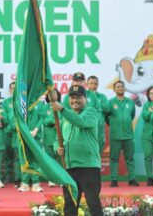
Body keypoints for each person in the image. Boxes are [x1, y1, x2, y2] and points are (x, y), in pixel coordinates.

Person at [51, 85, 103, 216]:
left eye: (78, 97)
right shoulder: (65, 118)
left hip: (88, 167)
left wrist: (62, 109)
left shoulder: (91, 112)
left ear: (85, 98)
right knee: (69, 207)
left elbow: (80, 121)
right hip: (69, 167)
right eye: (72, 97)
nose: (75, 101)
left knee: (94, 205)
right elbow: (58, 138)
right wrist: (58, 148)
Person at [106, 81, 139, 187]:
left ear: (124, 89)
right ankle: (114, 180)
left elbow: (132, 116)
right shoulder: (110, 102)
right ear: (114, 89)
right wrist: (113, 125)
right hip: (115, 136)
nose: (120, 88)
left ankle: (132, 179)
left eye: (122, 86)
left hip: (128, 135)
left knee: (130, 158)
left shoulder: (130, 102)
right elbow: (106, 117)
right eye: (118, 87)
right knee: (114, 159)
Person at [18, 96, 45, 192]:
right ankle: (24, 183)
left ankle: (36, 184)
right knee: (25, 159)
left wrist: (35, 130)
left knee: (35, 159)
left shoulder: (39, 103)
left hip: (36, 136)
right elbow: (18, 119)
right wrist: (25, 132)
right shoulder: (21, 103)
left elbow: (42, 118)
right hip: (24, 135)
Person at [140, 86, 153, 186]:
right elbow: (146, 117)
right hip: (147, 135)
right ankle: (150, 177)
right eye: (150, 93)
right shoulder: (146, 105)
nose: (152, 95)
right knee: (148, 156)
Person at [43, 88, 62, 187]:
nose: (52, 96)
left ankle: (61, 178)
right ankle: (52, 179)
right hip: (49, 136)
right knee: (50, 159)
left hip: (60, 136)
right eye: (50, 94)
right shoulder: (45, 107)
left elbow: (64, 117)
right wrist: (54, 122)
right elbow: (44, 120)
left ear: (58, 95)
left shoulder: (61, 106)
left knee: (61, 159)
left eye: (54, 94)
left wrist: (59, 123)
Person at [1, 82, 18, 186]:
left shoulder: (22, 101)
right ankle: (7, 177)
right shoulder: (6, 102)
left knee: (17, 157)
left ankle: (17, 178)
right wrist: (10, 126)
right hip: (8, 132)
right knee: (7, 157)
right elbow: (5, 116)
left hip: (18, 133)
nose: (14, 89)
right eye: (12, 88)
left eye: (15, 88)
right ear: (10, 90)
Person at [87, 75, 109, 155]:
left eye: (95, 84)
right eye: (91, 83)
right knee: (87, 155)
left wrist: (96, 102)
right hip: (87, 130)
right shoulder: (83, 96)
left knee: (98, 155)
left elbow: (107, 108)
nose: (93, 86)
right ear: (87, 84)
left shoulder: (102, 97)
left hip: (99, 131)